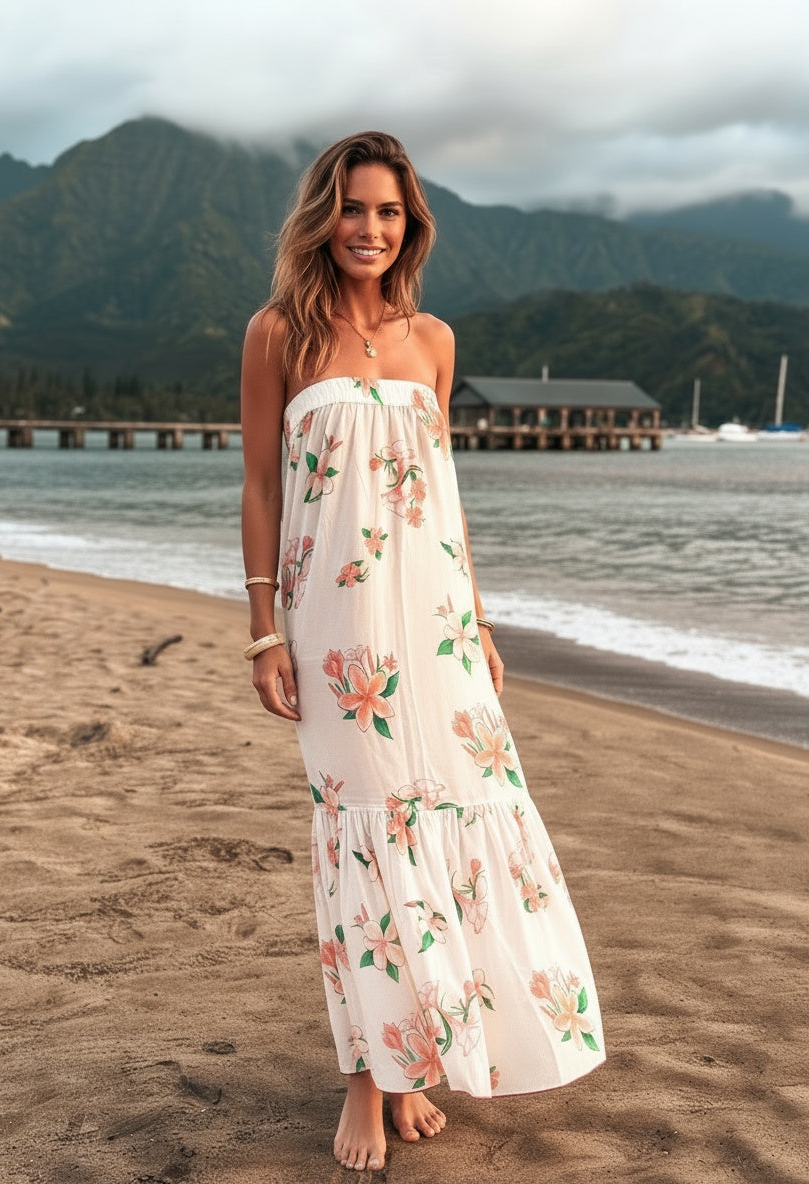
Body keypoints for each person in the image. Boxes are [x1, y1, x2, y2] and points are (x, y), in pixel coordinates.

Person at [240, 131, 604, 1173]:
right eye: (353, 208)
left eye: (389, 212)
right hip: (336, 632)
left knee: (454, 812)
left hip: (436, 626)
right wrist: (263, 630)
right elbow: (261, 487)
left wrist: (477, 621)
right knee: (370, 831)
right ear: (324, 218)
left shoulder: (433, 340)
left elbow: (443, 499)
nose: (370, 228)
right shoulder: (278, 333)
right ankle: (370, 1075)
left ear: (411, 225)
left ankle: (411, 1062)